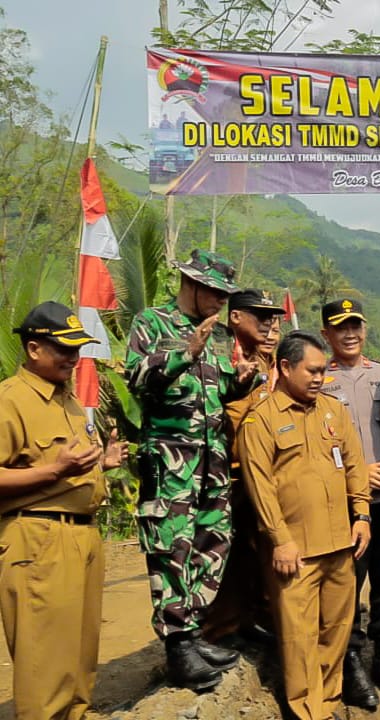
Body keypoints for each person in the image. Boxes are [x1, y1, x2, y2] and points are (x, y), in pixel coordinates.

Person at [125, 249, 257, 691]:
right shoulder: (152, 322)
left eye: (225, 294)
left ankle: (195, 631)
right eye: (215, 292)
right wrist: (185, 352)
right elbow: (139, 379)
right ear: (192, 285)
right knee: (172, 548)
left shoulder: (217, 337)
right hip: (170, 461)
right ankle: (177, 645)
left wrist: (239, 380)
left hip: (212, 460)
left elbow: (212, 392)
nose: (221, 301)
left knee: (211, 542)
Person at [0, 302, 128, 720]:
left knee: (79, 655)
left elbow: (70, 467)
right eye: (64, 350)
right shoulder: (11, 400)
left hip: (82, 536)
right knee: (46, 661)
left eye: (77, 350)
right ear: (34, 349)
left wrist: (101, 464)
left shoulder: (68, 401)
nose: (73, 359)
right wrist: (55, 469)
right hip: (38, 539)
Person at [239, 331, 371, 720]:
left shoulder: (333, 410)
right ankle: (307, 711)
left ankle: (328, 703)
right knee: (299, 638)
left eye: (322, 371)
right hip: (294, 551)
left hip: (339, 545)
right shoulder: (261, 421)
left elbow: (353, 464)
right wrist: (280, 540)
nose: (319, 378)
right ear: (284, 367)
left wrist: (362, 514)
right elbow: (259, 486)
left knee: (336, 629)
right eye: (311, 371)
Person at [320, 297, 380, 708]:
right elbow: (315, 448)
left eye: (355, 324)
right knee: (346, 583)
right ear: (326, 334)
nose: (350, 332)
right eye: (340, 326)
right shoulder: (316, 380)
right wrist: (356, 477)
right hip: (343, 503)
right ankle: (351, 659)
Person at [204, 288, 285, 643]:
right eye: (260, 317)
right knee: (225, 556)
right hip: (227, 474)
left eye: (273, 318)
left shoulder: (267, 360)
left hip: (264, 474)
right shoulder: (218, 352)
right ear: (236, 317)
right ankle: (220, 631)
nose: (269, 325)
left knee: (259, 552)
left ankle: (256, 620)